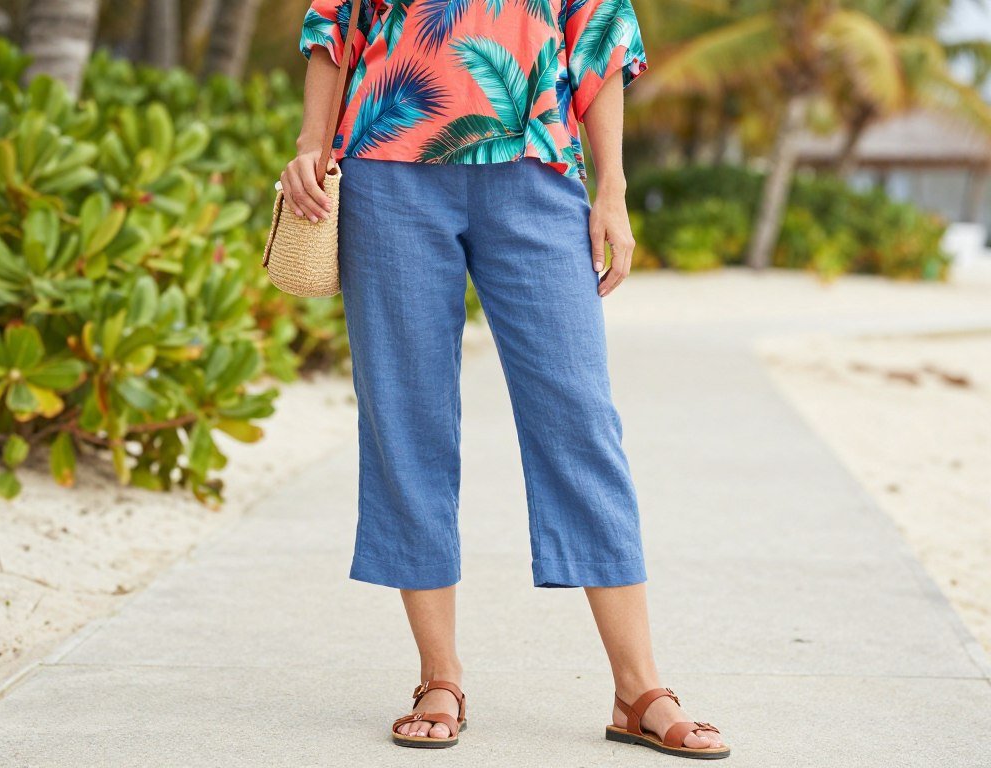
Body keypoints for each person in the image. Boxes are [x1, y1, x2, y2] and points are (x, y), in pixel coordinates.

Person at [281, 0, 729, 759]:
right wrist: (308, 145)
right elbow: (334, 22)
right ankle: (439, 678)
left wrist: (612, 191)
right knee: (405, 417)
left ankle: (639, 688)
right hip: (387, 171)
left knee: (578, 418)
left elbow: (600, 36)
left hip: (537, 168)